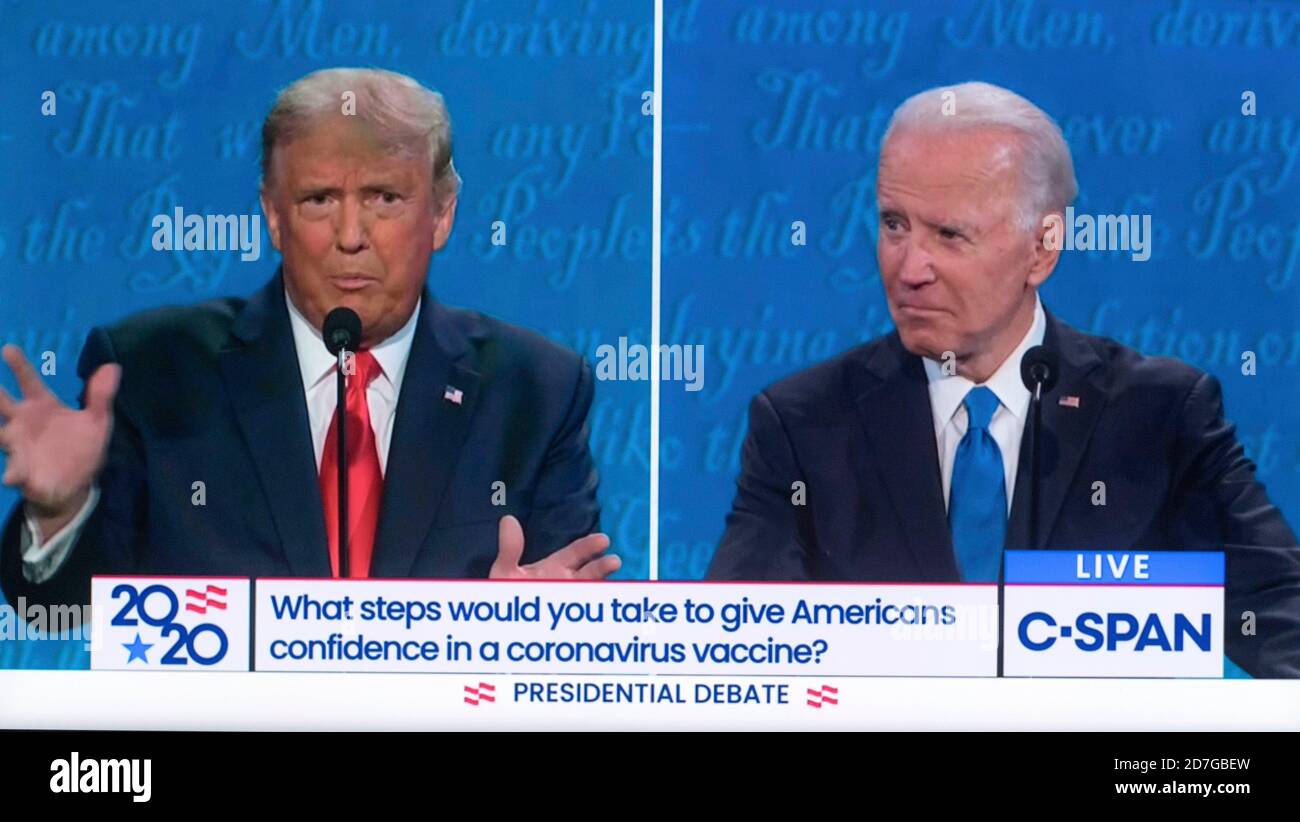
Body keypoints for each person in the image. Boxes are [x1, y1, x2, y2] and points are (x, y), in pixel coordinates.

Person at [706, 81, 1300, 678]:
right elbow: (738, 655)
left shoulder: (1161, 418)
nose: (909, 268)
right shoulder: (804, 425)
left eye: (949, 235)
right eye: (894, 225)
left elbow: (1281, 620)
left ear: (1042, 249)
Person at [0, 68, 619, 613]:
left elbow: (566, 621)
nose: (351, 235)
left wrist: (531, 625)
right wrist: (59, 514)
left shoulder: (536, 391)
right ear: (273, 215)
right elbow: (54, 607)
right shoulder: (155, 372)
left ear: (441, 214)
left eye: (384, 198)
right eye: (320, 199)